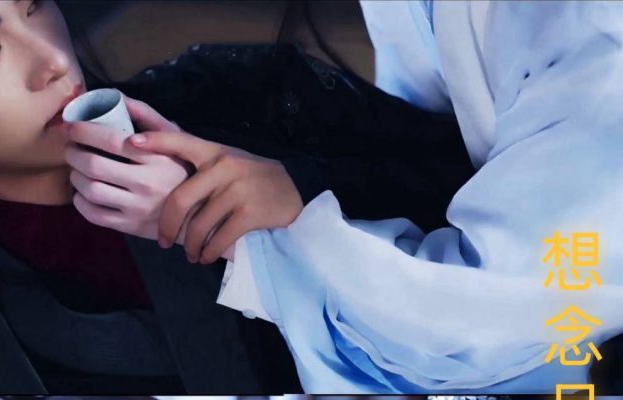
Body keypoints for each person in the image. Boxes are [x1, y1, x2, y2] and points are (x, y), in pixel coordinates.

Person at [0, 0, 475, 394]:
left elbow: (479, 206)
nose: (53, 62)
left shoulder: (239, 98)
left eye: (35, 6)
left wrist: (297, 193)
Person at [90, 0, 623, 395]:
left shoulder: (586, 30)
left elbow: (514, 311)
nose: (51, 64)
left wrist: (278, 231)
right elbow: (433, 147)